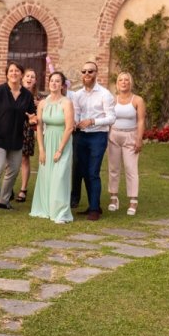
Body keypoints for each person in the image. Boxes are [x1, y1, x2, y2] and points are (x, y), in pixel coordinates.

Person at [0, 62, 38, 217]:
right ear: (7, 74)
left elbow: (32, 115)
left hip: (16, 139)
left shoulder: (26, 95)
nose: (14, 73)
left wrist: (33, 120)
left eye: (17, 71)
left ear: (21, 74)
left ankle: (4, 201)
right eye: (11, 71)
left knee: (14, 169)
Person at [70, 60, 116, 221]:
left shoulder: (105, 94)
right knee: (83, 172)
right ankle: (93, 205)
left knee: (93, 172)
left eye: (90, 71)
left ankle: (95, 209)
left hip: (97, 136)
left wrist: (93, 121)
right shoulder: (77, 95)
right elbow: (76, 113)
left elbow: (111, 118)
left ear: (96, 74)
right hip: (81, 136)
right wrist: (75, 122)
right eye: (84, 72)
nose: (87, 74)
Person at [30, 71, 75, 223]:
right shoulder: (42, 103)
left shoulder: (66, 103)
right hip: (47, 141)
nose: (54, 84)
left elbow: (69, 127)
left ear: (62, 85)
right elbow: (40, 128)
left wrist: (60, 150)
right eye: (52, 81)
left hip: (62, 142)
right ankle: (46, 208)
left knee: (60, 176)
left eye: (57, 81)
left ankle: (60, 212)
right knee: (46, 174)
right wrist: (41, 150)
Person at [108, 71, 146, 216]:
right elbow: (109, 118)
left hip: (131, 136)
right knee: (113, 168)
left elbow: (141, 121)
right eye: (120, 80)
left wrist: (139, 138)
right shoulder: (113, 100)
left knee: (131, 169)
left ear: (130, 83)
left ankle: (133, 201)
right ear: (117, 84)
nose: (123, 82)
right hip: (114, 136)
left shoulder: (138, 100)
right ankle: (113, 198)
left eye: (126, 80)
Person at [17, 68, 40, 203]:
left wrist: (38, 108)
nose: (29, 78)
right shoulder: (15, 93)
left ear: (35, 81)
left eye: (32, 76)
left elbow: (39, 118)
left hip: (28, 130)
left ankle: (23, 189)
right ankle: (9, 188)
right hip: (14, 129)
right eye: (27, 76)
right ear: (22, 78)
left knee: (24, 159)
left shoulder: (38, 98)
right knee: (11, 160)